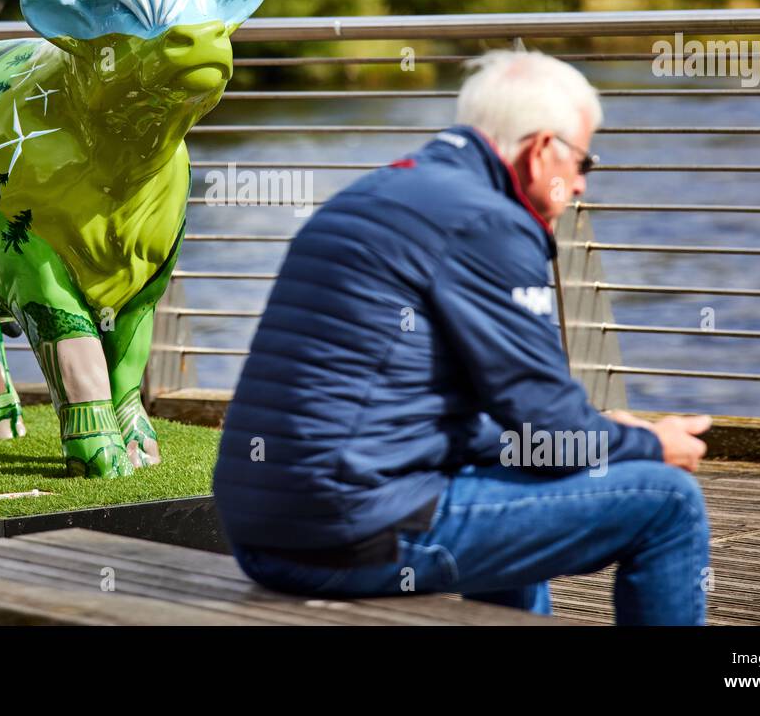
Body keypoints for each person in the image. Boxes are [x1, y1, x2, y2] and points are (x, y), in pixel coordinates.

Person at [211, 50, 712, 625]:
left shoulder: (375, 193)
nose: (580, 186)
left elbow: (481, 424)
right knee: (671, 503)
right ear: (543, 148)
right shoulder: (490, 222)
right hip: (350, 538)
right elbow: (545, 419)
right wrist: (651, 446)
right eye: (584, 162)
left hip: (261, 533)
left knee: (525, 468)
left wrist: (604, 435)